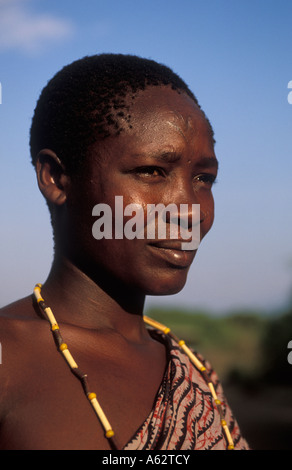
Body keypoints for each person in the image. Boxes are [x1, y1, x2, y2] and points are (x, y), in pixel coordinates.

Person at [0, 54, 249, 450]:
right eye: (152, 171)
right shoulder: (8, 360)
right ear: (56, 178)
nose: (190, 211)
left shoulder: (198, 375)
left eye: (204, 178)